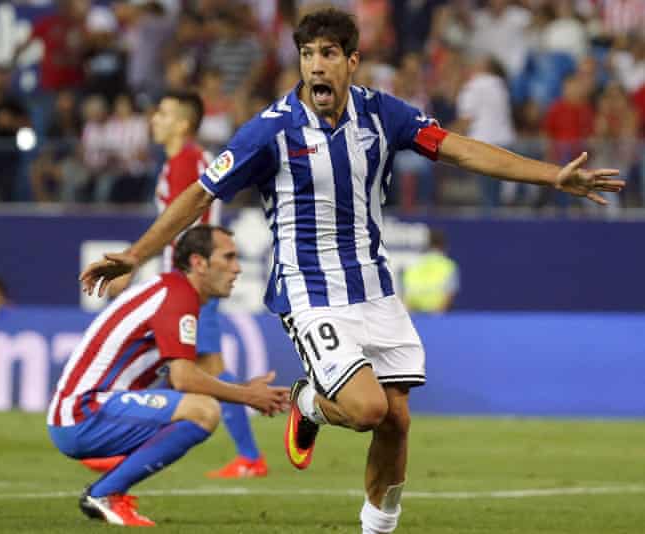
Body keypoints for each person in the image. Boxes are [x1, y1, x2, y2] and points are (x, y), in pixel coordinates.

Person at [79, 8, 624, 534]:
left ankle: (376, 530)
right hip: (310, 291)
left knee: (398, 420)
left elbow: (460, 151)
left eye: (329, 54)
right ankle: (308, 402)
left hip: (374, 288)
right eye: (308, 55)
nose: (317, 66)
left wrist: (554, 177)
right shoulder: (268, 131)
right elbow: (199, 195)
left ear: (352, 61)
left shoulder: (384, 114)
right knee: (366, 408)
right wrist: (137, 254)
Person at [49, 225, 289, 526]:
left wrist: (243, 389)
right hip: (85, 413)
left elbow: (182, 378)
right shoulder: (178, 298)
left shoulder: (172, 290)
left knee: (197, 404)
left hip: (87, 411)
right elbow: (185, 379)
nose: (237, 268)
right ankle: (106, 493)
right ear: (199, 263)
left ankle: (112, 477)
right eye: (228, 258)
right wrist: (247, 396)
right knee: (203, 411)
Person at [103, 90, 269, 479]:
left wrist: (136, 264)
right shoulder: (186, 160)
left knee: (205, 367)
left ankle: (249, 457)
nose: (153, 120)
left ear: (182, 123)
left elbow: (179, 224)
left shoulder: (184, 162)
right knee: (177, 368)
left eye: (162, 113)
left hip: (190, 283)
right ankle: (129, 448)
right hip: (188, 280)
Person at [402, 229, 459, 313]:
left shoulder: (413, 264)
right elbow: (449, 295)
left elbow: (406, 294)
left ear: (427, 245)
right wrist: (437, 317)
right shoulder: (448, 266)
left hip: (414, 315)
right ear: (444, 246)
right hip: (437, 316)